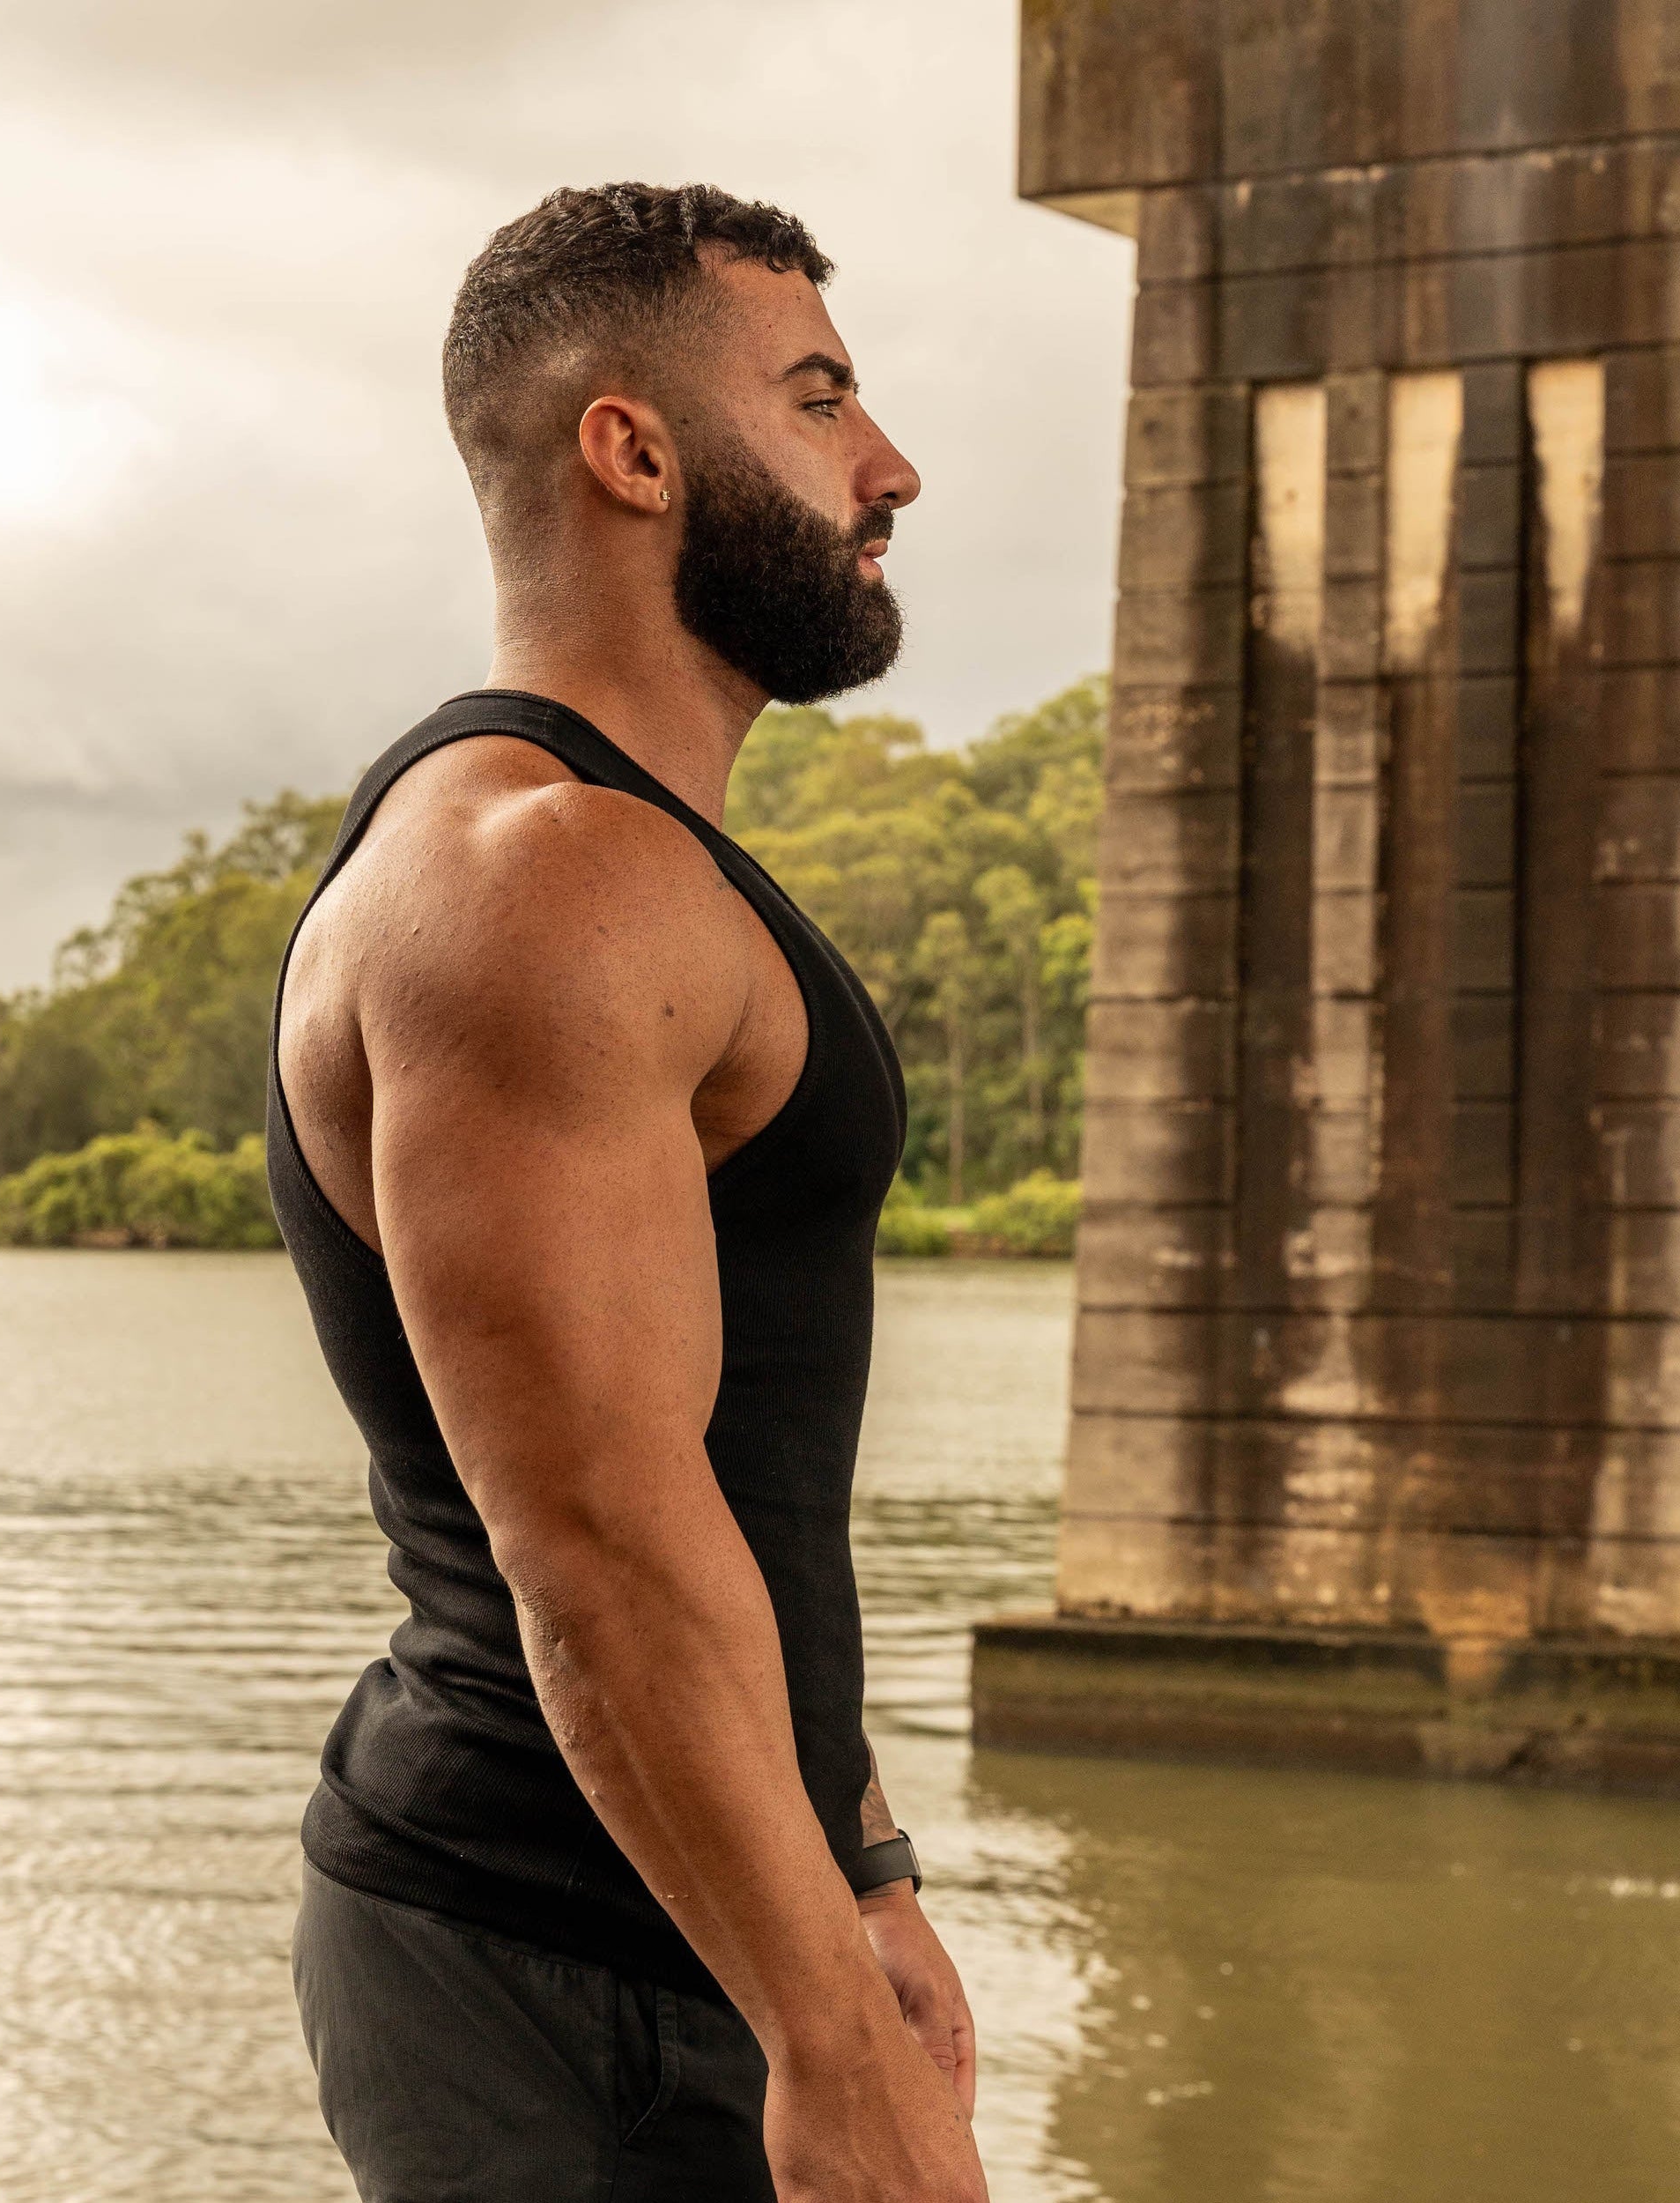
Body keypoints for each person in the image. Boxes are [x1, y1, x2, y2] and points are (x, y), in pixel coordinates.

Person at [272, 182, 988, 2203]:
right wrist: (826, 2042)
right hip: (561, 1965)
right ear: (632, 449)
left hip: (707, 1922)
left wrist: (859, 1866)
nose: (888, 465)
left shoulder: (624, 861)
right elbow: (594, 1539)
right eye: (820, 399)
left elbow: (735, 1459)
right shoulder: (536, 879)